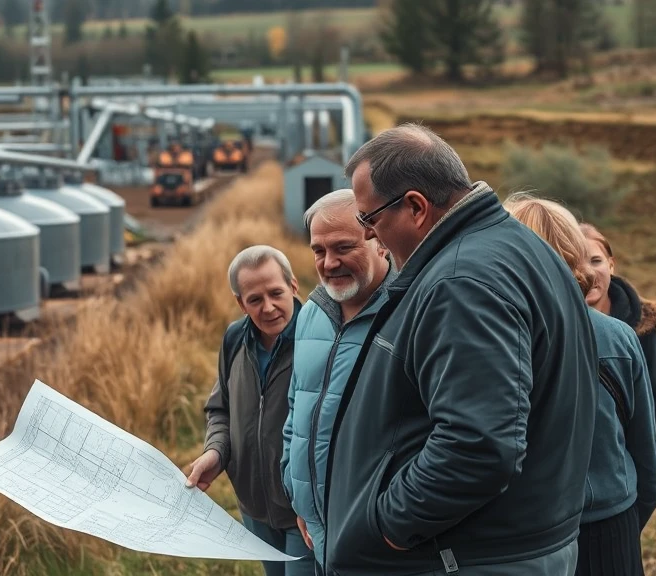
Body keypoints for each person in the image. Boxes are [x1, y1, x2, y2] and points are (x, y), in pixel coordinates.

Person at [323, 123, 598, 575]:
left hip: (471, 557)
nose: (369, 235)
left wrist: (387, 526)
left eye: (369, 219)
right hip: (509, 547)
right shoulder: (514, 246)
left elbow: (477, 447)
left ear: (416, 207)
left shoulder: (460, 282)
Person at [504, 194, 656, 576]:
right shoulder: (620, 337)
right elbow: (648, 465)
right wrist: (623, 528)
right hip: (612, 528)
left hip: (522, 537)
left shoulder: (493, 339)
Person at [280, 189, 395, 575]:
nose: (329, 263)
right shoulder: (311, 313)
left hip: (382, 541)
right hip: (318, 530)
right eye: (319, 250)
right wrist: (299, 496)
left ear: (380, 242)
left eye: (344, 247)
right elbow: (297, 407)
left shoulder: (410, 313)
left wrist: (393, 521)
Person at [185, 245, 314, 576]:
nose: (268, 307)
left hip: (305, 512)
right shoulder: (234, 339)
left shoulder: (319, 338)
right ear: (240, 303)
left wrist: (315, 502)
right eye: (255, 299)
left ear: (293, 286)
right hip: (254, 510)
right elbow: (221, 409)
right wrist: (216, 452)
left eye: (276, 293)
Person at [580, 222, 656, 446]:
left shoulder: (641, 324)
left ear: (611, 265)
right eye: (574, 262)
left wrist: (630, 458)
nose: (588, 272)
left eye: (596, 261)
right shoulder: (552, 324)